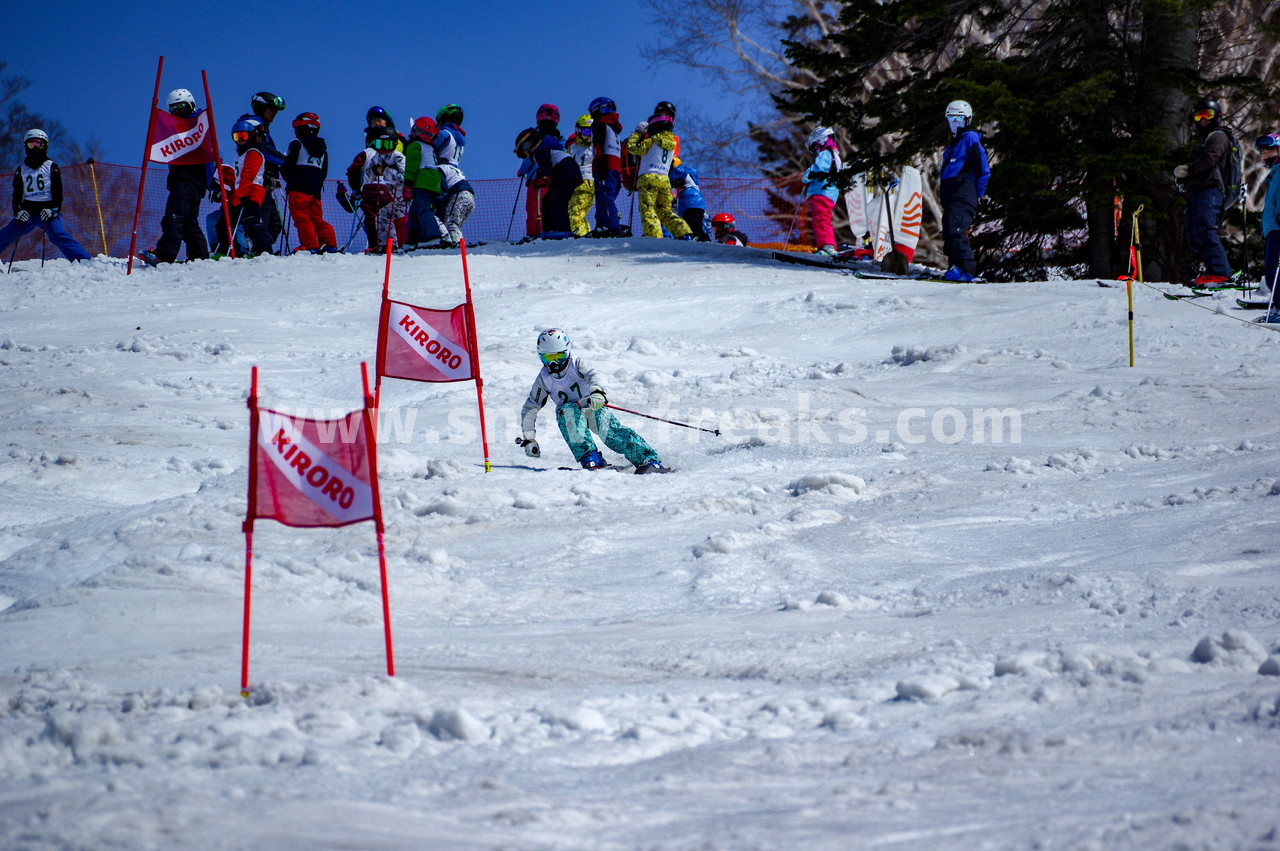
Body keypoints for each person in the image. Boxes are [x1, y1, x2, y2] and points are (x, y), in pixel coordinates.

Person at [518, 328, 670, 473]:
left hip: (592, 405)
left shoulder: (576, 364)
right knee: (567, 411)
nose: (554, 364)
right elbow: (530, 407)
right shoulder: (543, 379)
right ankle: (591, 459)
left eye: (558, 357)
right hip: (571, 415)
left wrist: (597, 392)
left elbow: (593, 376)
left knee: (609, 432)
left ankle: (647, 459)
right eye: (547, 358)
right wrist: (529, 439)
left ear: (567, 352)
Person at [142, 88, 211, 266]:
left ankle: (164, 255)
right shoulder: (175, 130)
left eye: (181, 107)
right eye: (173, 110)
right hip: (182, 180)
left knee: (174, 216)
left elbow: (210, 153)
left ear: (191, 105)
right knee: (189, 221)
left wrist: (214, 181)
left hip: (189, 179)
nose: (177, 112)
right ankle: (200, 257)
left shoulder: (195, 125)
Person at [0, 129, 91, 263]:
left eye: (38, 144)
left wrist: (54, 209)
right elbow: (17, 194)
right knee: (6, 234)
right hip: (28, 213)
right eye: (31, 144)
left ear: (45, 146)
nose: (35, 148)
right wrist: (18, 211)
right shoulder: (21, 170)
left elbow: (58, 191)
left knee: (57, 234)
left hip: (46, 212)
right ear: (26, 146)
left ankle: (83, 260)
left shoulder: (51, 166)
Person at [1174, 98, 1235, 286]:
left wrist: (1188, 170)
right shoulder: (1206, 139)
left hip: (1209, 190)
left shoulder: (1218, 137)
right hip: (1199, 190)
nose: (1202, 120)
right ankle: (1212, 272)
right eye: (1198, 116)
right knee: (1195, 234)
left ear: (1217, 117)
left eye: (1207, 115)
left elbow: (1210, 159)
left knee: (1205, 230)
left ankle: (1221, 273)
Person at [939, 100, 990, 282]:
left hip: (963, 193)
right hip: (952, 196)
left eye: (958, 119)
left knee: (956, 229)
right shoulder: (952, 145)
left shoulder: (969, 138)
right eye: (951, 119)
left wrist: (978, 193)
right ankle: (955, 268)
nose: (954, 123)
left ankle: (968, 270)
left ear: (967, 120)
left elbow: (983, 169)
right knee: (949, 231)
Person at [625, 113, 691, 240]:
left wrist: (638, 133)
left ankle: (654, 237)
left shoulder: (652, 141)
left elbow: (632, 148)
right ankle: (684, 233)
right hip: (664, 180)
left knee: (648, 209)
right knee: (665, 212)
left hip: (648, 178)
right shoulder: (672, 144)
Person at [281, 112, 338, 253]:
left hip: (298, 186)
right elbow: (324, 171)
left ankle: (309, 245)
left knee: (301, 216)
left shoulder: (297, 143)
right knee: (316, 216)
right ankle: (329, 243)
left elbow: (288, 165)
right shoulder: (323, 149)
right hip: (315, 188)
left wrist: (289, 178)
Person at [517, 125, 582, 239]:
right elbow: (547, 169)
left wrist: (544, 179)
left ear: (530, 144)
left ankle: (562, 230)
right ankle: (548, 230)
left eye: (525, 149)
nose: (526, 154)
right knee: (547, 199)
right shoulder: (543, 151)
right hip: (567, 172)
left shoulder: (540, 151)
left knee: (558, 200)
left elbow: (547, 170)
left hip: (566, 172)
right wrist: (543, 178)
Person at [347, 130, 406, 252]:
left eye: (387, 145)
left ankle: (398, 244)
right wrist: (374, 172)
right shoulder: (376, 157)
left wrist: (384, 171)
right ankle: (387, 245)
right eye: (380, 144)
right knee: (381, 216)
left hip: (404, 197)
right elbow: (369, 176)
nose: (383, 148)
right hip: (392, 197)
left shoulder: (399, 157)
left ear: (394, 144)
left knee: (401, 219)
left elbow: (403, 178)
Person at [241, 92, 287, 249]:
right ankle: (257, 250)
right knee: (262, 220)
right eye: (271, 109)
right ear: (261, 108)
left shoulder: (263, 128)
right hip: (257, 183)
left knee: (275, 223)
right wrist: (285, 161)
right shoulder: (254, 125)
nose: (274, 114)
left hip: (266, 183)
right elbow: (263, 151)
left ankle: (261, 249)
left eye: (276, 111)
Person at [404, 116, 446, 249]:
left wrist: (408, 182)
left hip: (423, 180)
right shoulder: (431, 148)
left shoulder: (415, 145)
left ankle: (432, 236)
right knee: (415, 211)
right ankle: (414, 239)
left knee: (423, 209)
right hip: (434, 180)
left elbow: (412, 164)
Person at [1249, 133, 1280, 311]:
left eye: (1269, 149)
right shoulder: (1275, 173)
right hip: (1272, 228)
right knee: (1271, 271)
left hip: (1277, 227)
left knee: (1274, 272)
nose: (1264, 154)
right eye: (1262, 151)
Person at [588, 97, 625, 236]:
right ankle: (603, 224)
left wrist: (600, 163)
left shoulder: (600, 125)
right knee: (607, 196)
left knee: (604, 196)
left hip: (605, 166)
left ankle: (609, 225)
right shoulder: (614, 130)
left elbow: (598, 145)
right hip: (615, 169)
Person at [803, 126, 841, 256]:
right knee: (819, 219)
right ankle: (827, 246)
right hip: (826, 191)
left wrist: (807, 175)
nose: (816, 149)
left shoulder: (827, 153)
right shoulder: (833, 154)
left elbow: (819, 168)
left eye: (816, 146)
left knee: (821, 218)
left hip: (823, 191)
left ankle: (828, 247)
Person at [566, 115, 595, 237]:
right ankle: (585, 233)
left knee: (576, 211)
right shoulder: (572, 148)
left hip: (587, 183)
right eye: (586, 131)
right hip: (574, 184)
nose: (589, 135)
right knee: (574, 210)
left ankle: (581, 235)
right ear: (578, 131)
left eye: (592, 131)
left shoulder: (595, 147)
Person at [669, 158, 710, 240]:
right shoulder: (685, 175)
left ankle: (703, 240)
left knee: (693, 224)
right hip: (690, 204)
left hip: (692, 203)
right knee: (689, 224)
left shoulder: (679, 172)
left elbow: (674, 181)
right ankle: (697, 239)